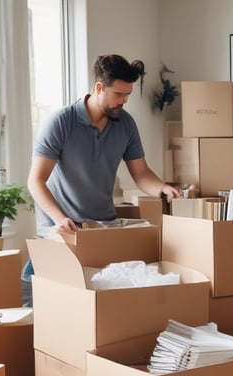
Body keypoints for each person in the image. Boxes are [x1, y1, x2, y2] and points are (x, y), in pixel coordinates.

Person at [22, 54, 180, 303]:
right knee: (44, 303)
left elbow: (141, 173)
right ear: (98, 88)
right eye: (119, 94)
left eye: (128, 95)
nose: (124, 101)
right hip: (61, 232)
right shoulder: (61, 123)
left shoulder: (125, 124)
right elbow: (36, 180)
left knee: (101, 307)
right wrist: (60, 219)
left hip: (102, 231)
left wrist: (163, 188)